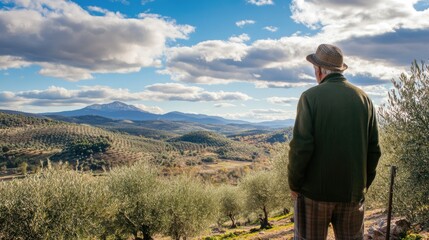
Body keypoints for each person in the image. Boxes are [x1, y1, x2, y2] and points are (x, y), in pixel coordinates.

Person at [288, 44, 381, 240]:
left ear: (320, 70)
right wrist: (362, 186)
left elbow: (300, 148)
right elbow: (374, 151)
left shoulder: (310, 97)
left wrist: (294, 185)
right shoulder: (364, 99)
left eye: (315, 69)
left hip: (313, 195)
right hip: (352, 194)